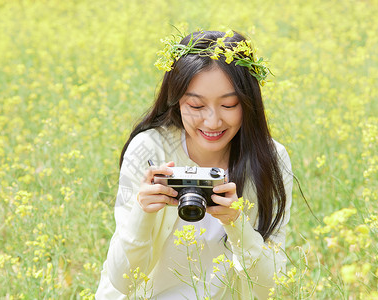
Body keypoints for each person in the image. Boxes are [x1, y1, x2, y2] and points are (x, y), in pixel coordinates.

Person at [96, 30, 293, 299]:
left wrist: (236, 223)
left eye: (229, 104)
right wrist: (142, 212)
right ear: (176, 102)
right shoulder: (150, 149)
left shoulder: (270, 160)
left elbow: (269, 288)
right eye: (196, 106)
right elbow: (122, 283)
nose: (212, 122)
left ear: (248, 103)